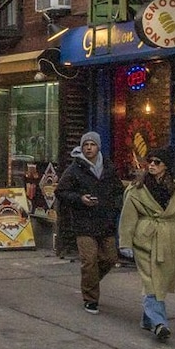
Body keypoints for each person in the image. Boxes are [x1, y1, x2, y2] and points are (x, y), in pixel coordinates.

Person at [120, 149, 175, 342]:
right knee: (152, 282)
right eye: (150, 161)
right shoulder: (136, 189)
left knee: (160, 282)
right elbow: (127, 218)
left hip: (169, 241)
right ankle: (159, 323)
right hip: (144, 240)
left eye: (157, 162)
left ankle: (148, 319)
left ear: (166, 166)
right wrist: (125, 243)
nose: (152, 165)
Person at [56, 132, 120, 311]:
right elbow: (61, 192)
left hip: (105, 221)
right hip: (83, 222)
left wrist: (114, 208)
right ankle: (90, 298)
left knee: (110, 258)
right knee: (89, 260)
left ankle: (90, 281)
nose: (89, 148)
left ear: (98, 146)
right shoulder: (75, 168)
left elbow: (118, 191)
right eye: (86, 145)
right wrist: (80, 199)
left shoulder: (108, 167)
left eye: (92, 144)